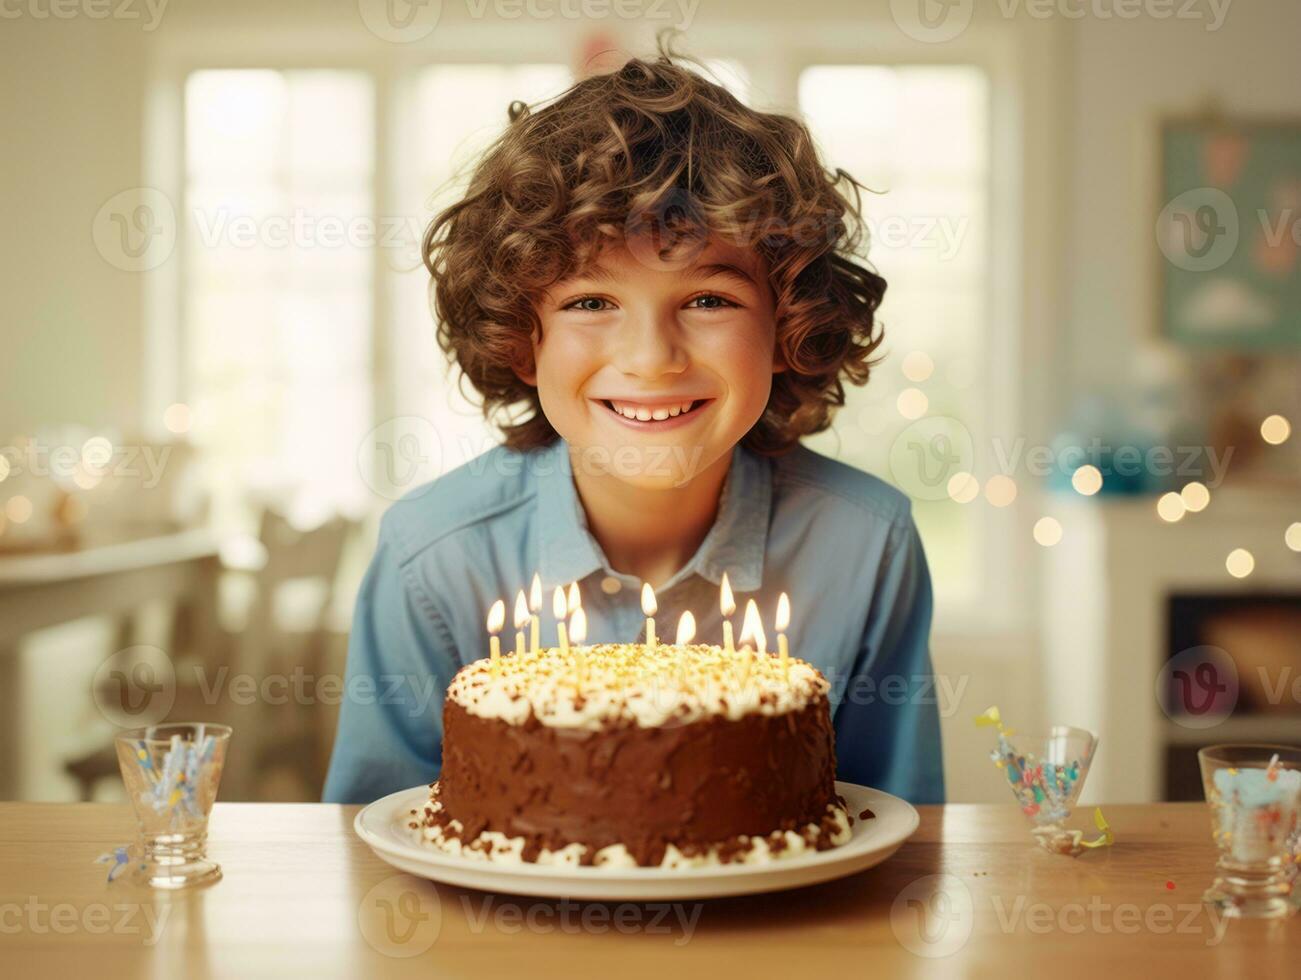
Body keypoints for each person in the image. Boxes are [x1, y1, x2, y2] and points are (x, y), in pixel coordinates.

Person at [323, 49, 945, 806]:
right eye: (591, 302)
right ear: (520, 338)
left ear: (788, 325)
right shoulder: (432, 558)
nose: (651, 359)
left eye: (708, 300)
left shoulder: (866, 546)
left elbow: (896, 830)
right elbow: (378, 848)